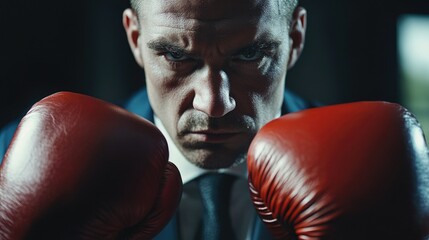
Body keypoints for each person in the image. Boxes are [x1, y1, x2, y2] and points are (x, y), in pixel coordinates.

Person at [0, 0, 319, 239]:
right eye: (177, 57)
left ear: (295, 37)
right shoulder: (16, 157)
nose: (213, 105)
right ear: (135, 38)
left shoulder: (367, 165)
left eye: (249, 55)